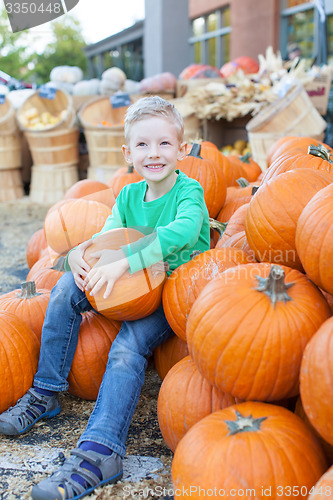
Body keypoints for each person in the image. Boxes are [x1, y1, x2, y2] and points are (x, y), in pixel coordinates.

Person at [0, 96, 210, 500]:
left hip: (174, 294)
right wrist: (79, 252)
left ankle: (101, 451)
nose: (154, 153)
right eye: (143, 145)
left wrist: (126, 260)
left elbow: (181, 232)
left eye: (164, 144)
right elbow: (104, 239)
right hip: (132, 286)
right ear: (127, 153)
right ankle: (46, 391)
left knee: (127, 345)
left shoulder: (190, 192)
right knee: (64, 287)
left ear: (182, 150)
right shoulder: (129, 197)